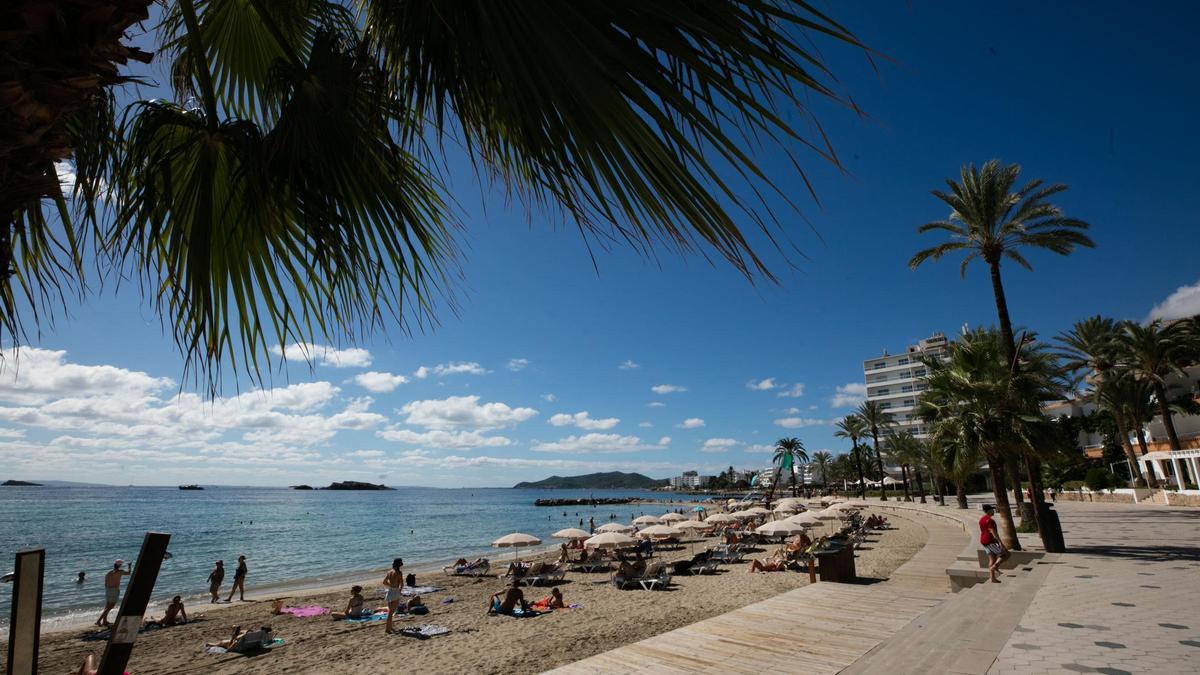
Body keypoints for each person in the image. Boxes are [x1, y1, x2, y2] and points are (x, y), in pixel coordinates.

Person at [95, 559, 130, 627]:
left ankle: (104, 621)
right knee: (111, 606)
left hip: (108, 589)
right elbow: (129, 573)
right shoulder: (120, 572)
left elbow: (105, 583)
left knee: (107, 606)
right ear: (120, 565)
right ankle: (99, 621)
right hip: (114, 590)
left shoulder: (108, 573)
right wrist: (129, 566)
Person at [979, 504, 1009, 583]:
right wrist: (1000, 543)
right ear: (988, 511)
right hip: (990, 541)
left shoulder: (981, 519)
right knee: (1006, 554)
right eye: (992, 509)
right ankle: (995, 567)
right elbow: (993, 532)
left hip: (983, 540)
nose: (993, 511)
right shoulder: (990, 520)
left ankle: (992, 578)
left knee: (992, 558)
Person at [383, 557, 404, 634]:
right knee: (391, 612)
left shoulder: (389, 572)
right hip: (395, 592)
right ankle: (387, 629)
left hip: (390, 591)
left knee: (390, 611)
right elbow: (402, 584)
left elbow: (384, 582)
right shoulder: (399, 573)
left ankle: (390, 627)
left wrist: (390, 585)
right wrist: (400, 590)